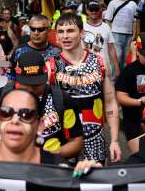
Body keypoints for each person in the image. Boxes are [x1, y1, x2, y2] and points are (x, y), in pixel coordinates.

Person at [0, 51, 84, 159]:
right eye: (27, 84)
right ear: (17, 79)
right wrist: (10, 151)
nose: (32, 90)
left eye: (37, 84)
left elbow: (76, 141)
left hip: (48, 169)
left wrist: (49, 157)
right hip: (9, 167)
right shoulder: (0, 98)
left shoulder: (62, 99)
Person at [48, 14, 122, 162]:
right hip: (63, 141)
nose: (65, 36)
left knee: (95, 183)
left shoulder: (98, 63)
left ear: (82, 33)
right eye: (61, 32)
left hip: (94, 139)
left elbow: (110, 102)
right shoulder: (50, 66)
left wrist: (114, 140)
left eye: (70, 30)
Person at [0, 89, 68, 165]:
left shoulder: (59, 169)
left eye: (26, 114)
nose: (15, 121)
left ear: (40, 126)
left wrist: (82, 175)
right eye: (6, 113)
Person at [7, 14, 61, 82]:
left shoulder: (57, 52)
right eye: (32, 29)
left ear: (49, 31)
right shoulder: (18, 52)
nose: (36, 33)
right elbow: (11, 79)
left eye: (40, 29)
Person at [103, 0, 137, 71]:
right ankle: (114, 80)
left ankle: (124, 80)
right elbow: (107, 20)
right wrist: (110, 33)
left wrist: (134, 33)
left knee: (126, 58)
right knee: (117, 56)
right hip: (115, 33)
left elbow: (135, 20)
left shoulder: (133, 4)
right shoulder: (113, 3)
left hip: (129, 34)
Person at [84, 0, 121, 78]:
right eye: (91, 9)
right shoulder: (82, 27)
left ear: (100, 10)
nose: (94, 12)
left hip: (105, 68)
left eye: (96, 9)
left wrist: (117, 67)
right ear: (87, 11)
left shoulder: (106, 26)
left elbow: (111, 48)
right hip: (87, 69)